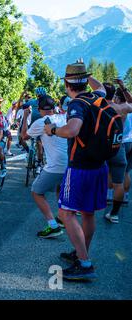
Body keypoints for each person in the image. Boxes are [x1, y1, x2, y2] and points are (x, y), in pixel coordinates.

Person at [44, 61, 109, 281]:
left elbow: (72, 130)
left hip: (80, 167)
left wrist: (52, 129)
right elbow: (99, 85)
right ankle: (82, 251)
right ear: (85, 80)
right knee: (88, 212)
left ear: (66, 82)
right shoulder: (97, 96)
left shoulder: (76, 104)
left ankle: (84, 263)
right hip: (99, 165)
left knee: (65, 213)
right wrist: (85, 73)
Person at [23, 95, 68, 238]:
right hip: (71, 164)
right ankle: (61, 218)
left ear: (39, 109)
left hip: (56, 165)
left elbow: (24, 136)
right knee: (59, 188)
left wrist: (25, 116)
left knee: (36, 191)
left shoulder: (41, 122)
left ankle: (53, 226)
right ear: (54, 107)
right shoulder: (63, 118)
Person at [104, 80, 132, 223]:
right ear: (114, 93)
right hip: (118, 146)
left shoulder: (97, 107)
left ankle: (82, 209)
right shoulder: (122, 108)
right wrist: (123, 87)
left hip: (100, 148)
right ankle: (114, 214)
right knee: (118, 181)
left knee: (89, 175)